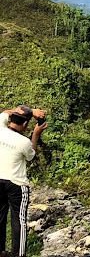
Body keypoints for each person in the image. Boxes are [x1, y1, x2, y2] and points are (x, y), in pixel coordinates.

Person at [0, 105, 47, 257]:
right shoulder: (23, 142)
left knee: (0, 216)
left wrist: (30, 112)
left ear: (11, 118)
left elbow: (4, 113)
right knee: (18, 220)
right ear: (25, 124)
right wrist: (35, 134)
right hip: (16, 184)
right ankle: (18, 254)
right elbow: (31, 156)